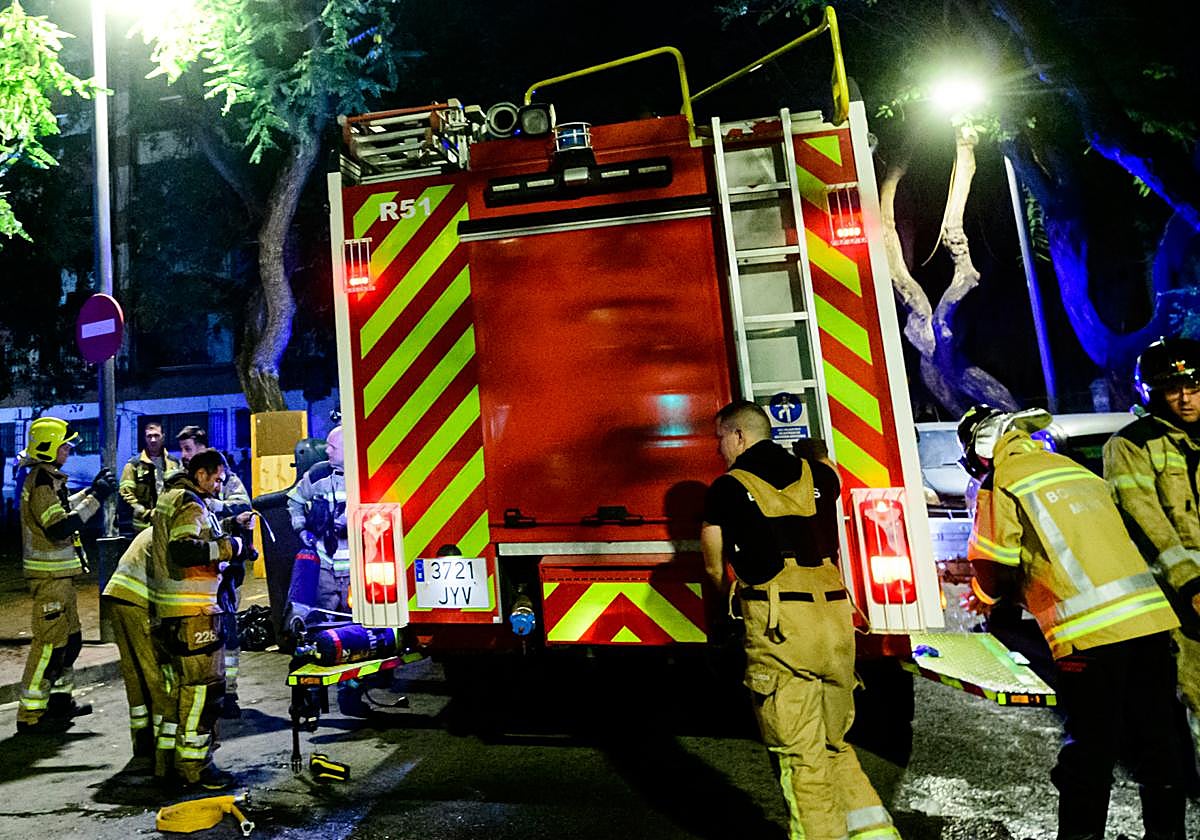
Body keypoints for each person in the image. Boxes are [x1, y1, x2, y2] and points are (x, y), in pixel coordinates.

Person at [960, 404, 1189, 840]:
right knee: (1157, 740)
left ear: (981, 447)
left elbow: (996, 565)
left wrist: (984, 599)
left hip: (1090, 632)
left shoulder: (1001, 480)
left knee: (1090, 748)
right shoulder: (1071, 468)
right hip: (1150, 620)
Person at [700, 401, 899, 840]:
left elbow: (713, 566)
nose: (718, 449)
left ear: (738, 436)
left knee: (800, 755)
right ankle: (875, 834)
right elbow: (829, 469)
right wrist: (815, 452)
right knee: (834, 744)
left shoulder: (726, 488)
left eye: (720, 438)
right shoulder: (820, 477)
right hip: (835, 622)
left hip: (782, 629)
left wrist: (719, 617)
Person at [1103, 338, 1200, 751]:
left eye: (1194, 387)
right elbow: (1146, 523)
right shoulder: (1131, 445)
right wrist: (1191, 585)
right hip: (1179, 599)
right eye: (1173, 389)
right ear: (1153, 393)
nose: (1185, 398)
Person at [147, 449, 250, 790]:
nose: (219, 486)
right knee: (203, 692)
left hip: (170, 612)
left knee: (178, 693)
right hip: (194, 614)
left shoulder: (172, 496)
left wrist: (227, 534)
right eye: (217, 479)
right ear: (201, 474)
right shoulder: (190, 502)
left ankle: (168, 764)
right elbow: (184, 549)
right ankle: (196, 768)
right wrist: (231, 548)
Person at [16, 416, 117, 734]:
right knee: (49, 646)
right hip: (49, 580)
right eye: (64, 445)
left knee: (70, 643)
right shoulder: (41, 483)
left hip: (60, 579)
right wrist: (96, 497)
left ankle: (60, 703)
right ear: (48, 448)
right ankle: (31, 715)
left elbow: (64, 506)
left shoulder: (49, 479)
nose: (69, 450)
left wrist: (91, 491)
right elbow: (60, 526)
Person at [176, 424, 253, 718]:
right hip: (193, 575)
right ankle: (205, 692)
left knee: (228, 634)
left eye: (188, 449)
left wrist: (210, 503)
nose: (184, 455)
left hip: (224, 573)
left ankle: (228, 693)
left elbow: (241, 505)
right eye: (182, 450)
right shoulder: (180, 481)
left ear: (203, 449)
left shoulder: (223, 477)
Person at [102, 528, 165, 761]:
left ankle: (141, 737)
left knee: (133, 671)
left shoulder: (155, 529)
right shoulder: (170, 533)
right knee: (153, 671)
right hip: (137, 601)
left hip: (118, 596)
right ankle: (162, 741)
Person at [285, 425, 350, 626]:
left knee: (356, 624)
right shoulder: (317, 475)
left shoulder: (365, 476)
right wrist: (301, 529)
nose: (327, 451)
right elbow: (294, 501)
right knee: (324, 621)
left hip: (355, 568)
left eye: (333, 447)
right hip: (324, 567)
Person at [119, 422, 181, 534]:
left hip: (169, 523)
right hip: (143, 526)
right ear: (145, 438)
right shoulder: (133, 465)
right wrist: (145, 513)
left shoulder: (174, 463)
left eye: (156, 435)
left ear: (163, 437)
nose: (153, 440)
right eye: (149, 436)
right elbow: (126, 493)